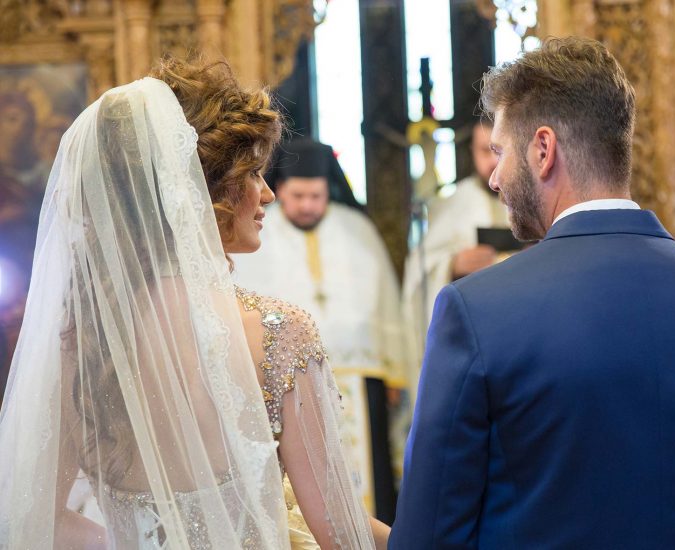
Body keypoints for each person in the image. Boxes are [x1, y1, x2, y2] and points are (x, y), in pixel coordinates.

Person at [390, 37, 675, 549]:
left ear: (543, 150)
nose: (496, 178)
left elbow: (431, 536)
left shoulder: (476, 310)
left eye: (500, 152)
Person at [0, 58, 389, 549]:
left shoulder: (84, 340)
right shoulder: (277, 332)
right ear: (200, 191)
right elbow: (343, 534)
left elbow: (36, 517)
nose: (268, 194)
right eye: (253, 174)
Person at [232, 139, 409, 525]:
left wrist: (395, 370)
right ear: (281, 189)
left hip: (361, 379)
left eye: (316, 196)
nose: (308, 205)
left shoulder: (358, 229)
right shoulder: (259, 230)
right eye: (298, 196)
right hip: (287, 380)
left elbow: (387, 303)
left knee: (370, 479)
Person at [401, 119, 507, 379]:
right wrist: (452, 265)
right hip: (471, 339)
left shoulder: (536, 197)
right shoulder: (453, 203)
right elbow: (417, 275)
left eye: (500, 151)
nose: (493, 162)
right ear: (472, 151)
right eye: (485, 151)